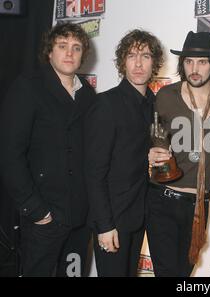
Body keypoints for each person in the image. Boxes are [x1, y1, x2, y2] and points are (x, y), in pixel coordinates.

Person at [0, 23, 96, 276]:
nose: (69, 53)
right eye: (62, 46)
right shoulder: (28, 87)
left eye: (76, 48)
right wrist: (35, 209)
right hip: (44, 215)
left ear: (83, 55)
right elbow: (9, 154)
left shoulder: (88, 95)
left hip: (80, 217)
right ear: (49, 52)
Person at [146, 31, 210, 276]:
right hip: (163, 200)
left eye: (202, 62)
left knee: (184, 274)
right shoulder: (166, 96)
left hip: (200, 205)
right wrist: (152, 154)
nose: (194, 68)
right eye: (188, 61)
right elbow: (154, 139)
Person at [84, 29, 163, 276]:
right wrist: (105, 225)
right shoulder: (106, 104)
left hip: (139, 216)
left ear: (155, 63)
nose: (138, 64)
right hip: (113, 220)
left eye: (146, 56)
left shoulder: (155, 105)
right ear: (122, 62)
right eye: (131, 55)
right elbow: (94, 172)